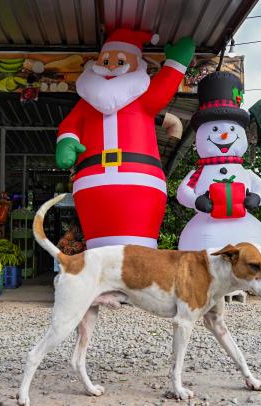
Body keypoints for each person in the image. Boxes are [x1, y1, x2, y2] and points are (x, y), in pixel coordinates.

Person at [55, 28, 196, 249]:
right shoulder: (86, 103)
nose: (111, 66)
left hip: (139, 182)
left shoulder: (144, 98)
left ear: (137, 65)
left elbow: (165, 86)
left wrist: (176, 62)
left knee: (139, 252)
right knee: (99, 251)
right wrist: (67, 141)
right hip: (93, 184)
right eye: (106, 60)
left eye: (120, 62)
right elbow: (70, 124)